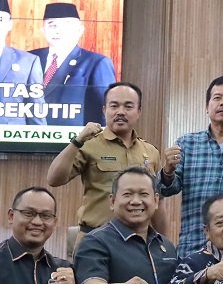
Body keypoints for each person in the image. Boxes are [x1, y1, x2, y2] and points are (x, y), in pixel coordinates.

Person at [47, 82, 165, 247]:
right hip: (94, 239)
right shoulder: (88, 144)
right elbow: (54, 179)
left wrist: (163, 243)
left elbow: (157, 203)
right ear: (104, 110)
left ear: (138, 113)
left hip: (137, 242)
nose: (120, 112)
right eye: (114, 106)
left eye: (128, 106)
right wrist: (77, 141)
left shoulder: (151, 152)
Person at [158, 76, 223, 257]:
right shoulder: (187, 143)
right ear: (206, 106)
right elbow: (166, 190)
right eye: (217, 98)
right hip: (194, 245)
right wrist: (168, 170)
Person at [29, 2, 116, 126]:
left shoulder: (96, 63)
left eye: (66, 25)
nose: (58, 31)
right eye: (52, 25)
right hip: (28, 137)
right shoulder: (29, 58)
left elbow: (108, 109)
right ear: (43, 30)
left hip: (75, 141)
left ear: (80, 30)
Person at [0, 0, 46, 126]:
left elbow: (36, 108)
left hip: (11, 138)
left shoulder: (28, 61)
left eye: (0, 19)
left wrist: (41, 143)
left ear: (9, 24)